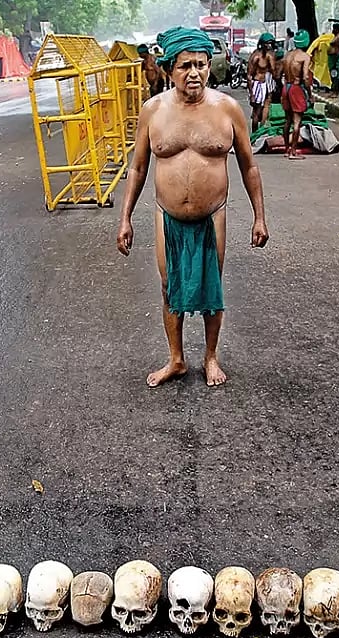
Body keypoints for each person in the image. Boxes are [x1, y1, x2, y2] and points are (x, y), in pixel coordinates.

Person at [116, 27, 268, 388]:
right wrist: (125, 218)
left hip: (213, 213)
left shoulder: (227, 109)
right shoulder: (153, 111)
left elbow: (249, 165)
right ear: (170, 69)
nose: (194, 73)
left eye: (201, 64)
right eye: (185, 66)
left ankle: (211, 357)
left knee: (212, 284)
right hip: (166, 214)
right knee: (168, 285)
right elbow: (138, 168)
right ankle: (176, 359)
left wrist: (259, 217)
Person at [282, 31, 313, 160]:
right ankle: (293, 152)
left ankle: (286, 149)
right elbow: (305, 77)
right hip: (296, 88)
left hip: (286, 87)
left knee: (287, 120)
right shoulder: (305, 57)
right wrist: (310, 94)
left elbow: (280, 73)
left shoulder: (288, 55)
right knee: (297, 121)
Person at [248, 33, 275, 131]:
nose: (269, 46)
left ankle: (259, 131)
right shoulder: (259, 57)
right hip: (258, 84)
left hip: (262, 84)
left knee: (263, 106)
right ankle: (257, 132)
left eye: (270, 43)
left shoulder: (265, 55)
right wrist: (251, 93)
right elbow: (249, 76)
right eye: (267, 43)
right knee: (257, 110)